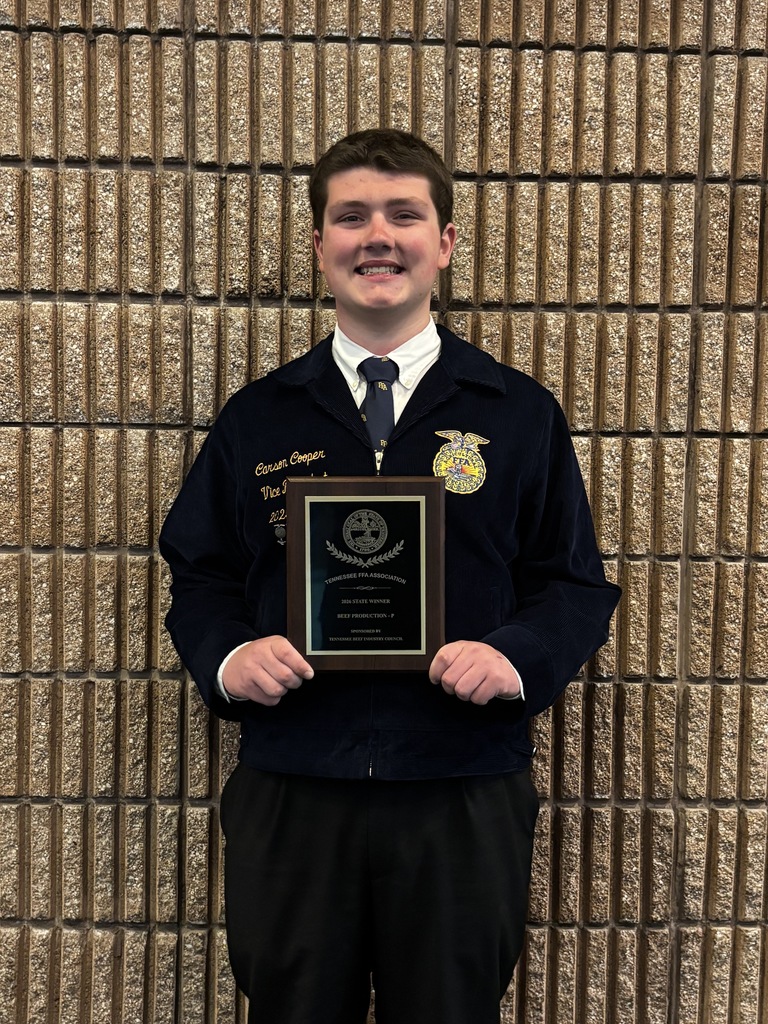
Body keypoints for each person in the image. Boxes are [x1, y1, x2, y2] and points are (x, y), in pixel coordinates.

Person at [159, 129, 621, 1024]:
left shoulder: (515, 414)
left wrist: (515, 659)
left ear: (444, 242)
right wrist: (228, 659)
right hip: (297, 782)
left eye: (405, 214)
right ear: (320, 244)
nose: (379, 235)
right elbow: (200, 572)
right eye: (352, 216)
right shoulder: (260, 417)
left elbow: (574, 583)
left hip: (460, 785)